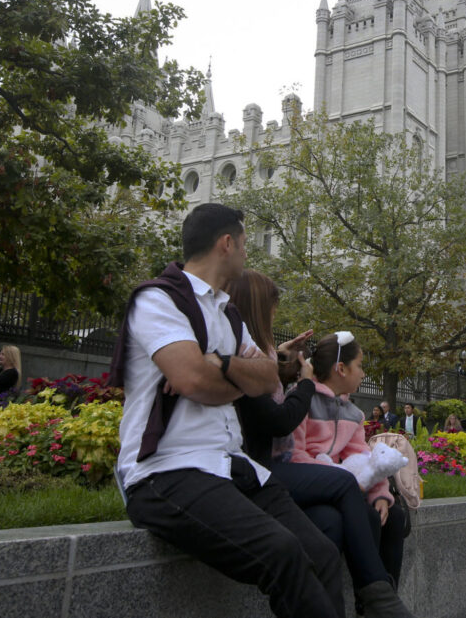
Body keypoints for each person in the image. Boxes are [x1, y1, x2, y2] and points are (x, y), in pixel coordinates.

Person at [110, 203, 344, 618]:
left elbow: (268, 377)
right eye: (244, 244)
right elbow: (192, 381)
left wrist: (217, 362)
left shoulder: (228, 314)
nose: (247, 253)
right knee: (282, 552)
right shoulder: (158, 299)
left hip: (231, 467)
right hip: (166, 472)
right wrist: (225, 375)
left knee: (322, 552)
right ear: (226, 244)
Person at [229, 271, 413, 618]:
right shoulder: (253, 364)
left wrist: (379, 493)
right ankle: (379, 596)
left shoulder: (348, 410)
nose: (275, 317)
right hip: (263, 470)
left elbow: (359, 454)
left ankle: (374, 601)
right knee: (343, 489)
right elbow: (283, 431)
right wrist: (304, 385)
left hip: (294, 479)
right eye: (271, 308)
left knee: (351, 523)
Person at [292, 333, 410, 594]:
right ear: (341, 368)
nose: (363, 373)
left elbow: (364, 458)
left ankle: (387, 595)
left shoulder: (353, 414)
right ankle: (366, 596)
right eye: (359, 365)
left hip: (345, 485)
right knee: (367, 517)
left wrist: (380, 494)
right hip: (316, 486)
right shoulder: (302, 399)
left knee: (394, 516)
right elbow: (295, 456)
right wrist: (338, 480)